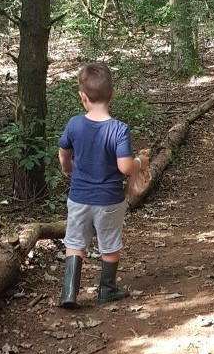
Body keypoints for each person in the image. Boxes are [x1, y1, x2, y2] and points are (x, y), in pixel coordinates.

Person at [56, 62, 149, 308]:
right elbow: (125, 167)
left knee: (75, 243)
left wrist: (68, 168)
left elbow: (63, 152)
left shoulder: (74, 123)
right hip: (109, 200)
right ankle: (107, 289)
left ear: (82, 96)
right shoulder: (119, 129)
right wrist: (141, 161)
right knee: (109, 244)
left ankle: (69, 293)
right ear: (113, 93)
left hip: (79, 197)